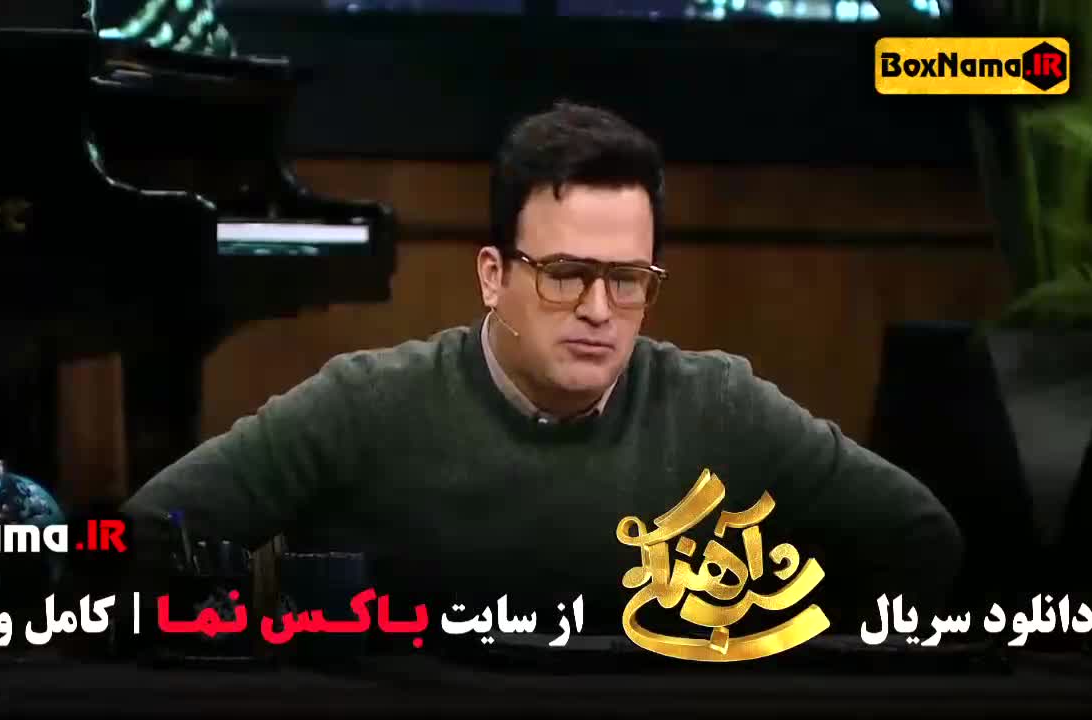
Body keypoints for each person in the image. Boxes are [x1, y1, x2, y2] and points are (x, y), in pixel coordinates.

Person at [123, 102, 962, 637]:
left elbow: (920, 539)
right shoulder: (366, 405)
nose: (599, 309)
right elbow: (147, 536)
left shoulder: (719, 407)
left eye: (627, 280)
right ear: (494, 276)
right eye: (566, 275)